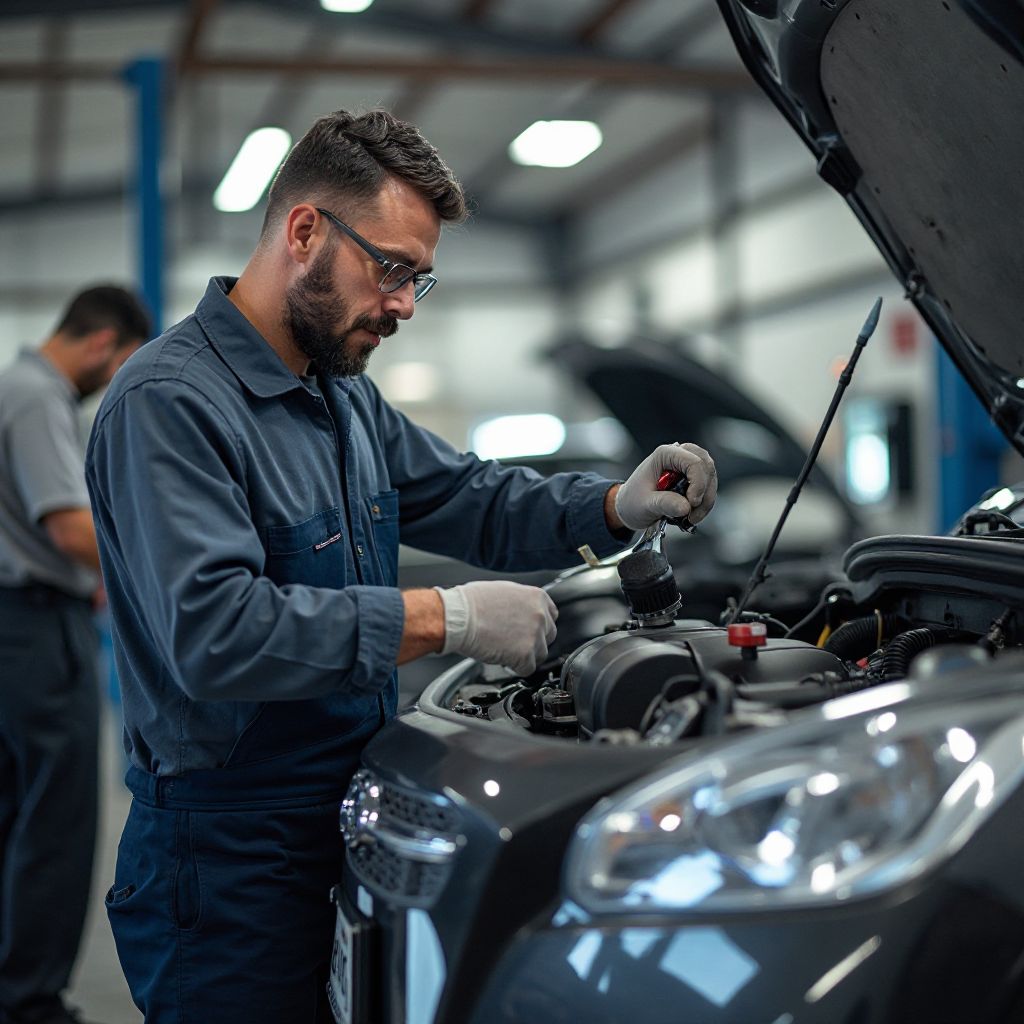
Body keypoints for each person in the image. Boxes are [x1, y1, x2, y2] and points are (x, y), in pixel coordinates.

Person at [84, 109, 717, 1023]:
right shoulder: (170, 403)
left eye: (419, 278)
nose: (406, 305)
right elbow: (216, 633)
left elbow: (470, 496)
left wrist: (617, 503)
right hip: (227, 862)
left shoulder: (343, 399)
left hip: (348, 812)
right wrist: (447, 619)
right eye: (391, 268)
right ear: (306, 231)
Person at [0, 286, 151, 1024]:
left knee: (16, 812)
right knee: (57, 822)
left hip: (17, 625)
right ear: (101, 343)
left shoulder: (12, 387)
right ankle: (31, 1002)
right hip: (34, 629)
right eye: (122, 365)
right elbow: (67, 527)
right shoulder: (38, 397)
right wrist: (158, 568)